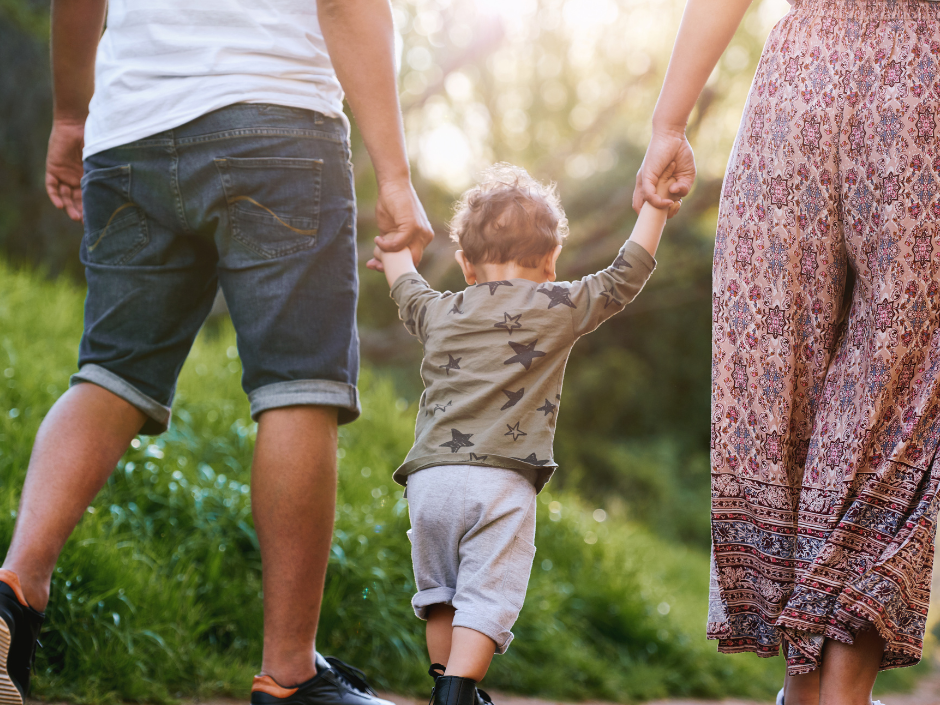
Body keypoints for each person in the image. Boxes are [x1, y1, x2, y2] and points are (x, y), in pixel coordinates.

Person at [1, 0, 434, 703]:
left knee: (108, 374)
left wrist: (71, 116)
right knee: (299, 386)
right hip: (278, 117)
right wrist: (395, 176)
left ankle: (14, 591)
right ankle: (289, 672)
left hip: (131, 127)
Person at [635, 1, 940, 704]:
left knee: (776, 374)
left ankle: (804, 689)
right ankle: (835, 689)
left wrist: (670, 124)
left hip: (802, 76)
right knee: (895, 399)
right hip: (924, 80)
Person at [369, 163, 677, 705]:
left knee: (441, 595)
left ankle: (446, 687)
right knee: (486, 600)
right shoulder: (559, 305)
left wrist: (394, 252)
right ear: (552, 260)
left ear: (465, 264)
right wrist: (655, 208)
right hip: (501, 484)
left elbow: (407, 289)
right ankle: (460, 693)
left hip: (429, 482)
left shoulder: (441, 311)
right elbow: (623, 277)